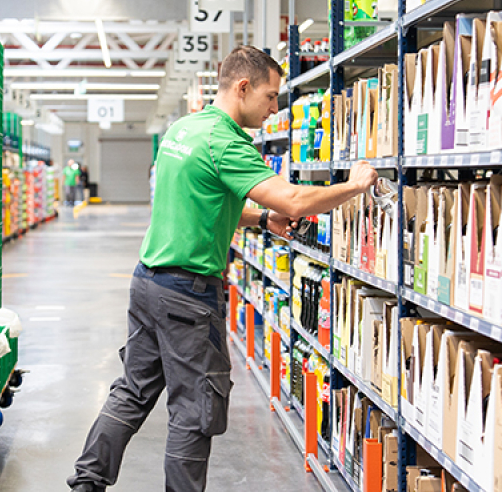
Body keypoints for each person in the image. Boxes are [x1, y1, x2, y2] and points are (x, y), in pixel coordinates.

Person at [67, 45, 378, 492]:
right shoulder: (227, 142)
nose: (275, 109)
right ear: (243, 87)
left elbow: (203, 202)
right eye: (270, 97)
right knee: (195, 411)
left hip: (148, 284)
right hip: (187, 297)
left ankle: (86, 482)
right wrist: (353, 185)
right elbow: (291, 199)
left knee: (132, 391)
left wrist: (258, 219)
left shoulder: (186, 129)